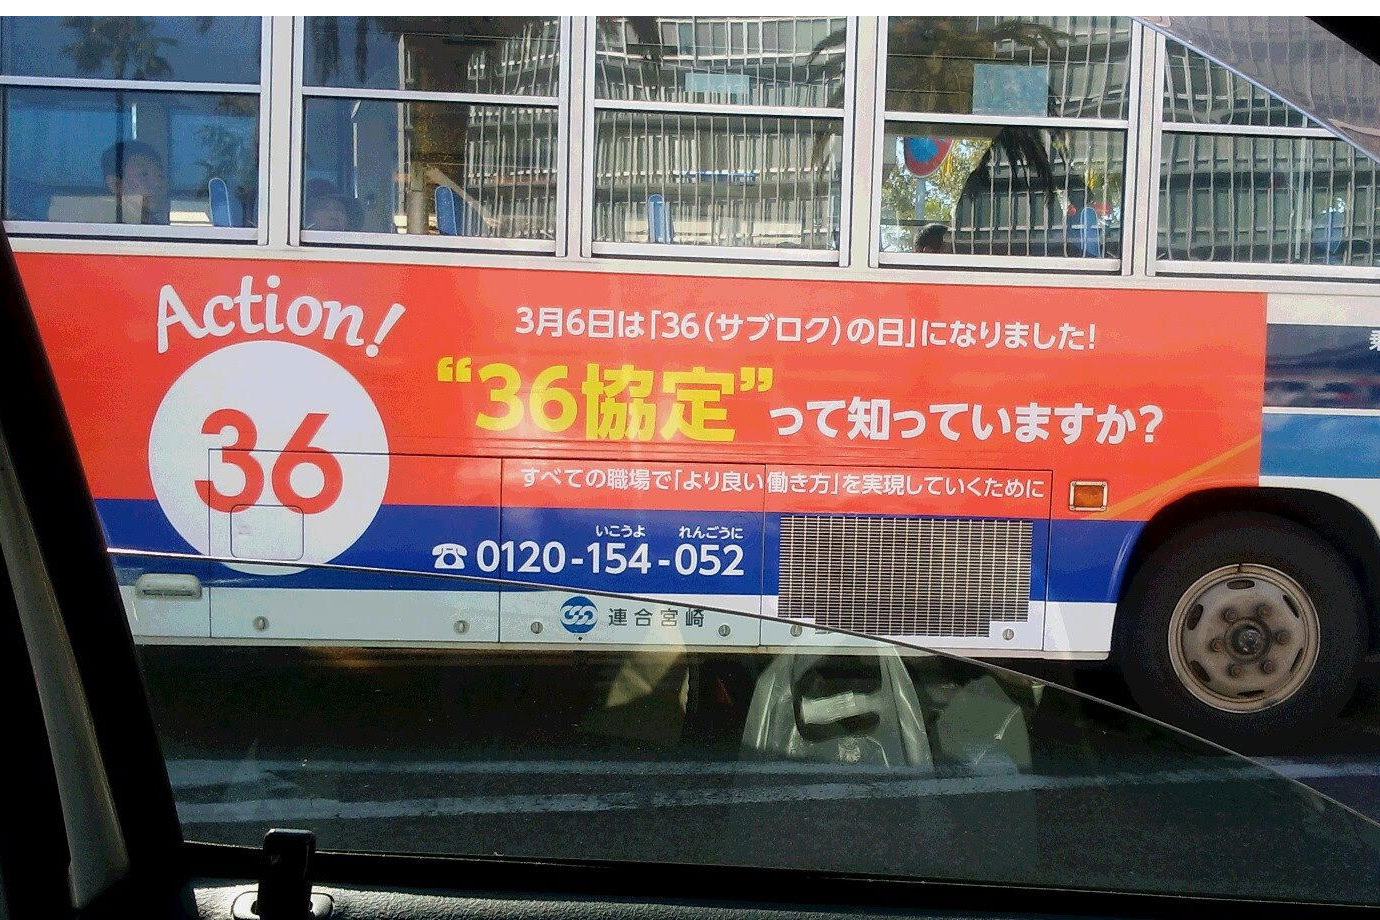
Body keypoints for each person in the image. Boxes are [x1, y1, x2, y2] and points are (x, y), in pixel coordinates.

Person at [101, 140, 170, 225]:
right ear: (115, 185)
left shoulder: (160, 228)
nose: (157, 183)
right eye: (144, 174)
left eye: (160, 176)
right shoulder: (99, 226)